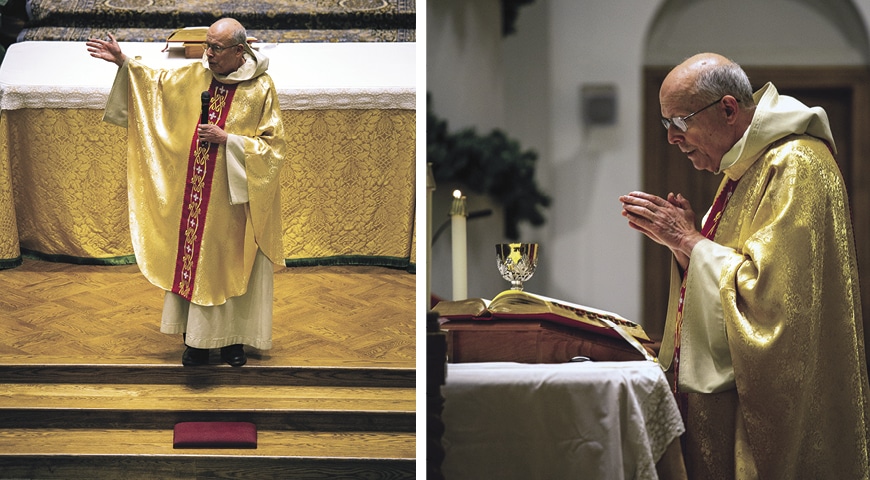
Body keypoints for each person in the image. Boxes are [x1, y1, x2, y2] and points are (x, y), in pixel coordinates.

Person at [620, 53, 870, 478]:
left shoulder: (795, 165)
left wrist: (689, 240)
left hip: (769, 421)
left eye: (680, 122)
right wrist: (686, 250)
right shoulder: (749, 165)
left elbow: (772, 305)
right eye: (666, 125)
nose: (672, 139)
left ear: (729, 109)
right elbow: (739, 273)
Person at [86, 18, 286, 367]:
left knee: (231, 266)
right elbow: (156, 84)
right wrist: (124, 62)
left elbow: (274, 148)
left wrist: (230, 141)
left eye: (216, 48)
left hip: (233, 202)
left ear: (240, 51)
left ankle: (232, 341)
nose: (208, 54)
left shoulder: (261, 88)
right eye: (207, 46)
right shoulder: (198, 75)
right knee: (195, 262)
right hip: (193, 196)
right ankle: (195, 342)